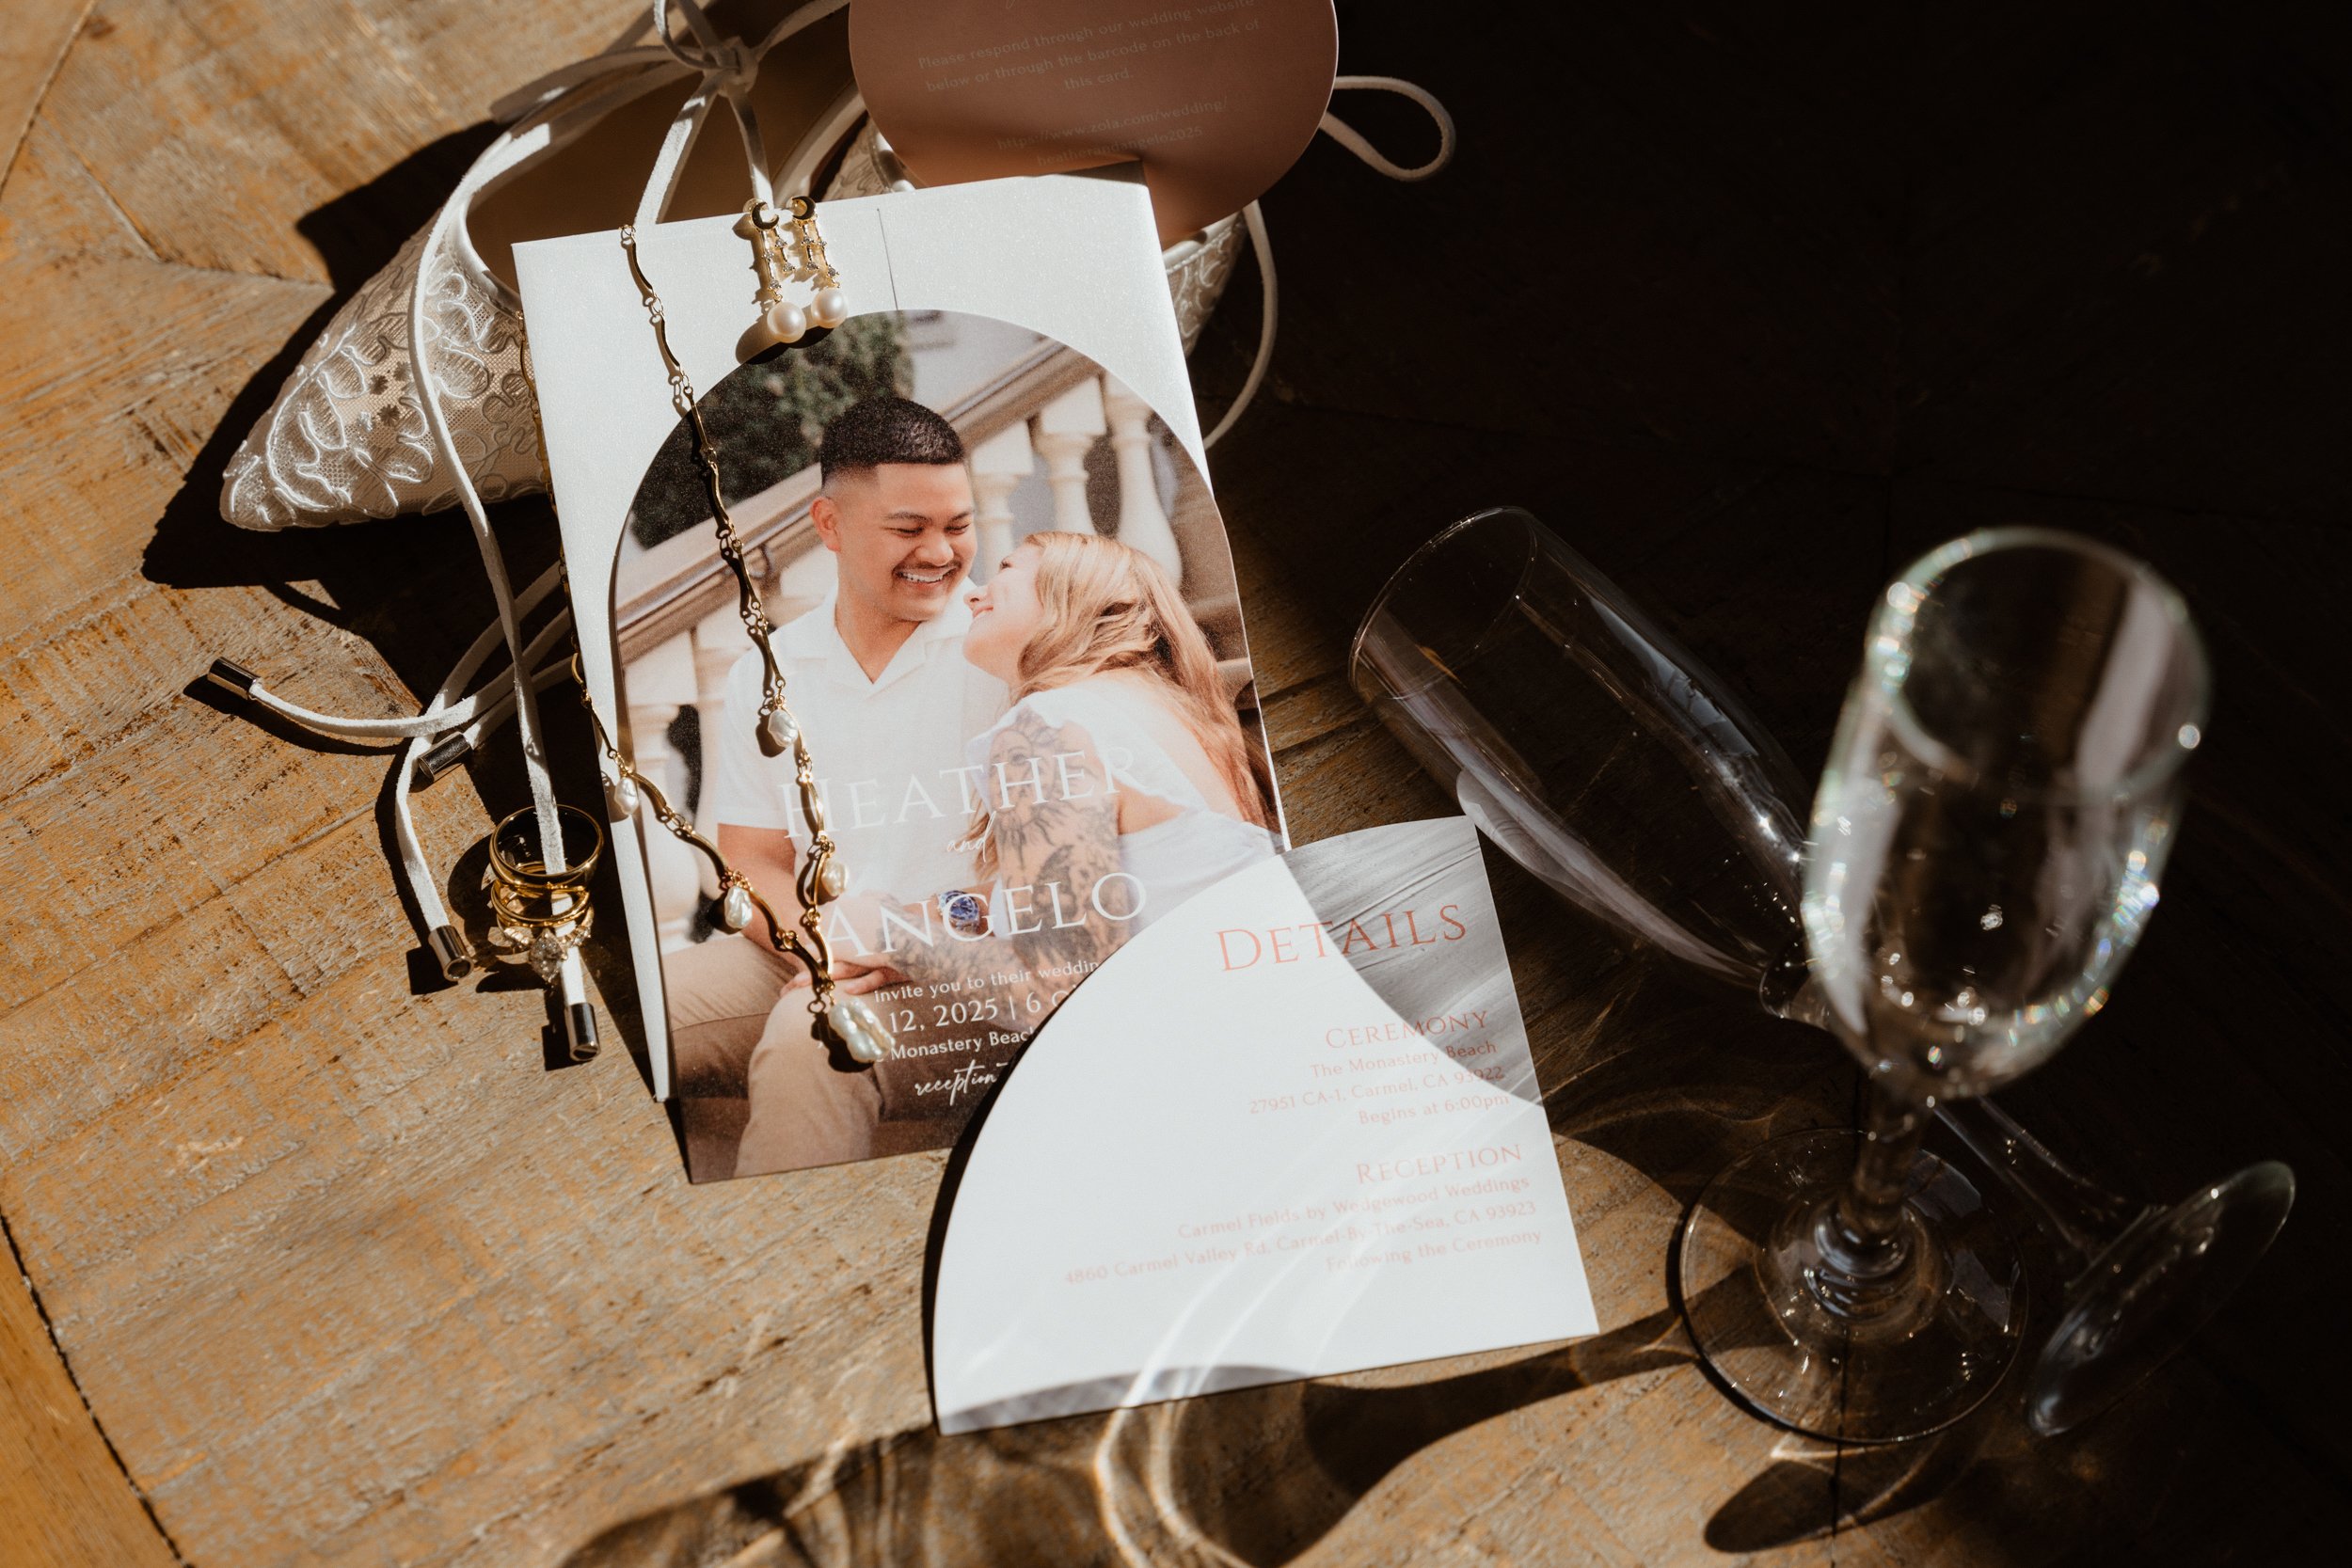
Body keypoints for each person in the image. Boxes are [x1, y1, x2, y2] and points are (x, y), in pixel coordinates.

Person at [736, 531, 1280, 1167]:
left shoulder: (1047, 726)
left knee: (812, 1021)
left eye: (1006, 570)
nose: (974, 595)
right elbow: (1071, 903)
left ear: (1077, 595)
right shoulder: (1170, 717)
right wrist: (919, 923)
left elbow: (1058, 989)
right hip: (1230, 1023)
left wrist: (890, 936)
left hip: (1163, 1054)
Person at [664, 396, 1006, 1179]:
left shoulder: (1002, 645)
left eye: (958, 525)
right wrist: (818, 944)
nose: (941, 552)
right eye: (908, 527)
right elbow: (747, 857)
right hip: (814, 944)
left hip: (967, 966)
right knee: (658, 1009)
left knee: (813, 1036)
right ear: (830, 526)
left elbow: (1049, 874)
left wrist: (893, 937)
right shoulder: (770, 666)